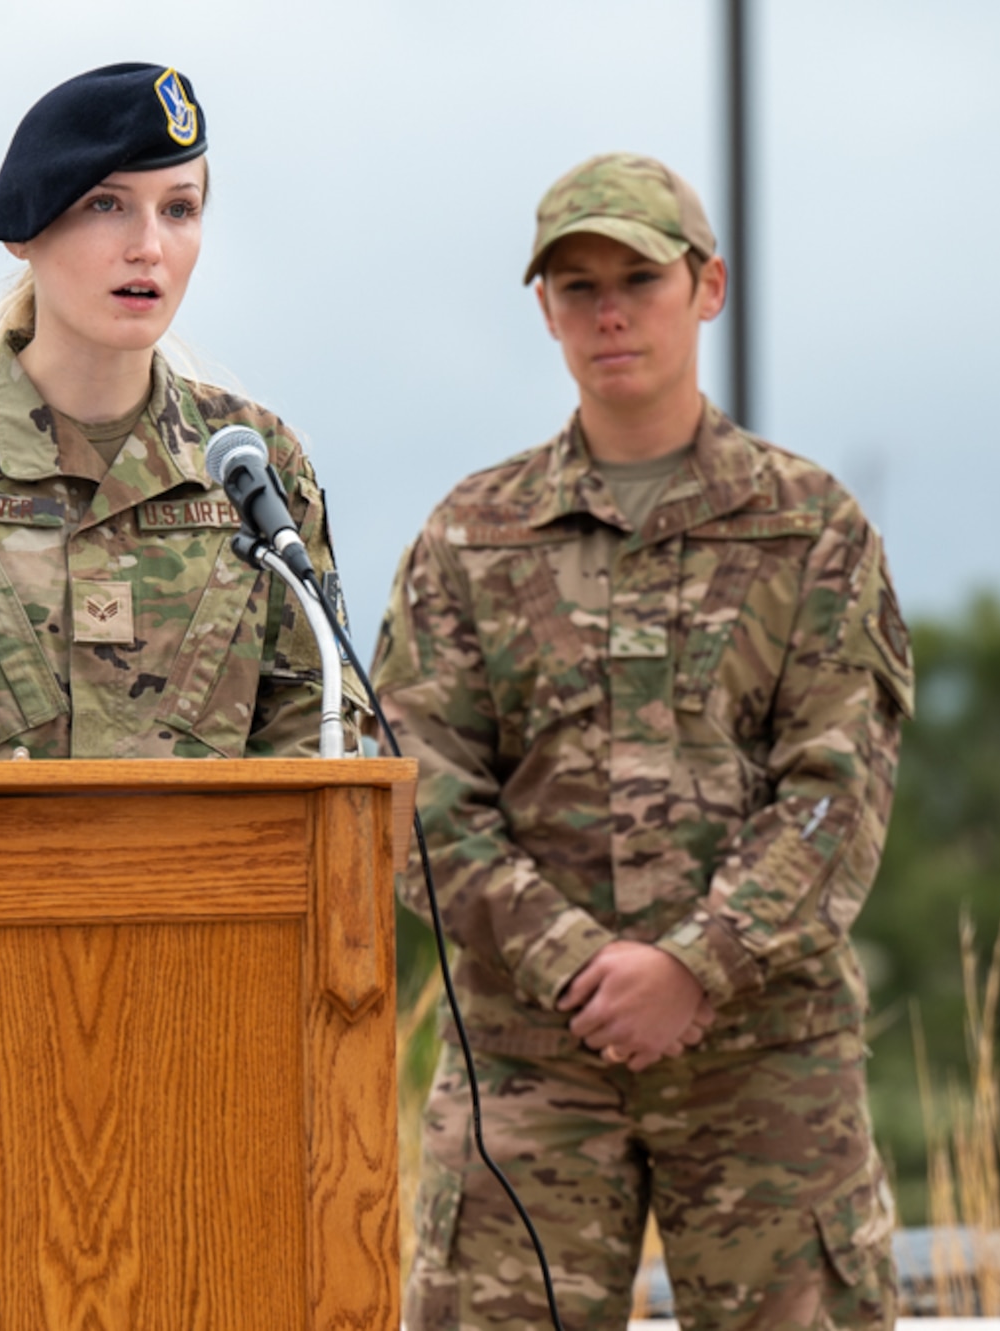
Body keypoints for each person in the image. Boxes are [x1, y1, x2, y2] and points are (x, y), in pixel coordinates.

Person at [373, 152, 911, 1329]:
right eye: (576, 287)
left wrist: (695, 964)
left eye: (638, 278)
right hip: (531, 1059)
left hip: (763, 1056)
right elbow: (416, 794)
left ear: (706, 286)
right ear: (543, 309)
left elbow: (835, 787)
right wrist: (572, 958)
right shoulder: (470, 536)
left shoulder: (808, 527)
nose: (607, 311)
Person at [0, 63, 362, 760]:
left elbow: (317, 749)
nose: (149, 247)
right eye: (106, 205)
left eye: (179, 209)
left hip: (216, 872)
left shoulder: (255, 464)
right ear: (25, 228)